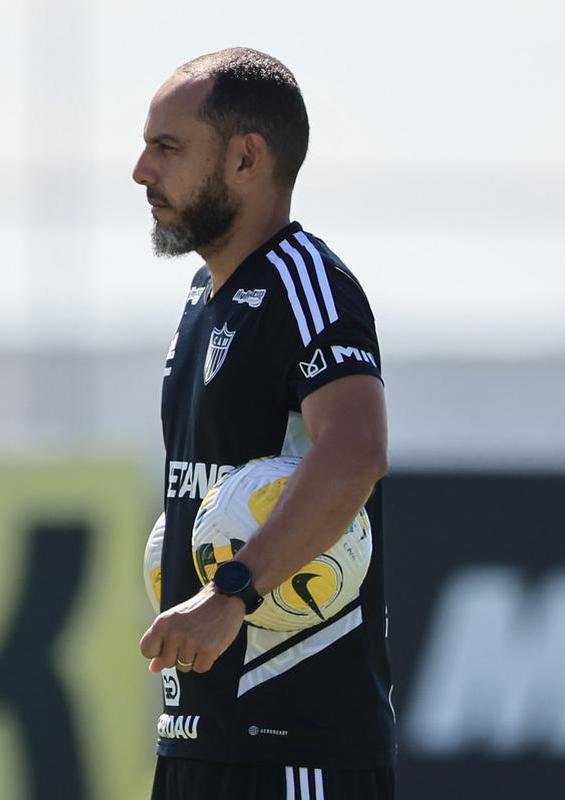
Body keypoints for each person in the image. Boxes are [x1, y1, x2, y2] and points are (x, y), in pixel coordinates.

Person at [134, 48, 394, 800]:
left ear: (247, 157)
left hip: (295, 751)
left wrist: (231, 593)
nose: (141, 170)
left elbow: (354, 449)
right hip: (199, 740)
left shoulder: (305, 282)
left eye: (167, 148)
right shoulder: (200, 299)